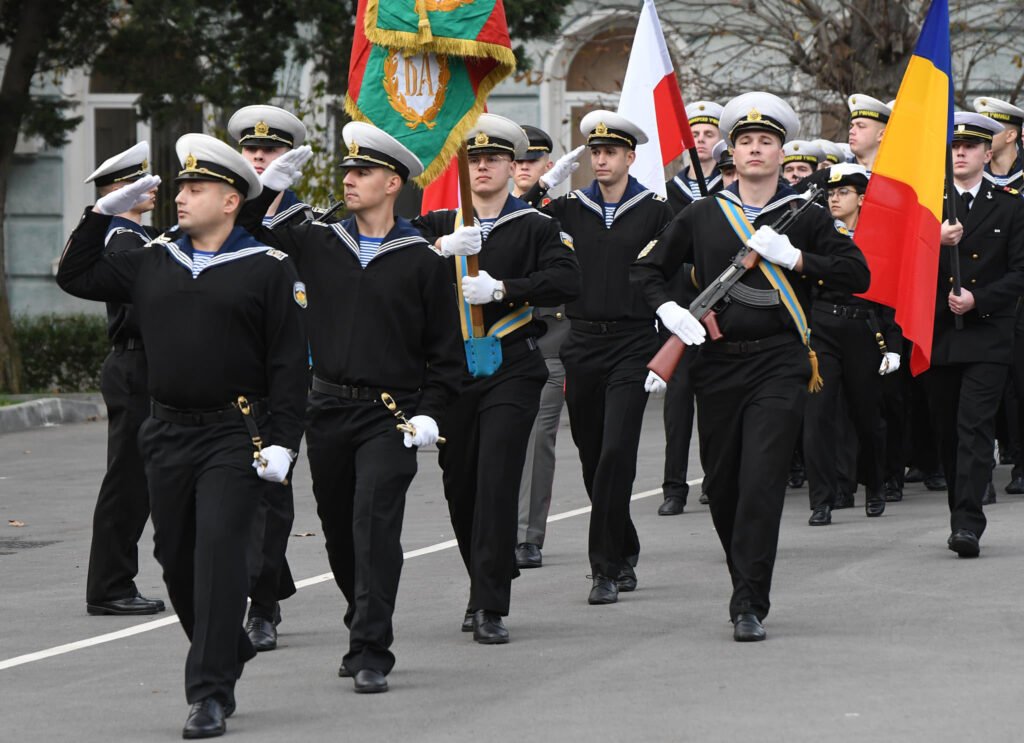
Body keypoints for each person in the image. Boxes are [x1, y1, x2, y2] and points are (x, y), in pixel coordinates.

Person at [57, 134, 308, 738]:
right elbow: (74, 274)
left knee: (221, 555)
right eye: (181, 187)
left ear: (230, 200)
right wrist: (100, 214)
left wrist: (283, 441)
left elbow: (288, 363)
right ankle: (224, 646)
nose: (180, 197)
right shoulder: (155, 258)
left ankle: (209, 693)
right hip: (165, 430)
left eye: (195, 188)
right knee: (174, 559)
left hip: (233, 432)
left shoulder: (267, 267)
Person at [632, 92, 869, 641]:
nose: (755, 149)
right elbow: (645, 271)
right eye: (745, 142)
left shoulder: (806, 216)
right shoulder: (703, 213)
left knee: (762, 478)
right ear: (731, 154)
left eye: (766, 141)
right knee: (723, 481)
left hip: (781, 362)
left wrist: (797, 258)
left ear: (782, 153)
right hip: (715, 363)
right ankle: (745, 575)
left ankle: (748, 600)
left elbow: (857, 274)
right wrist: (668, 309)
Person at [241, 123, 463, 691]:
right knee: (341, 533)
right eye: (347, 171)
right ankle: (360, 615)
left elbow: (447, 354)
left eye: (362, 171)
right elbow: (239, 232)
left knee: (374, 528)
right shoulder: (318, 240)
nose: (349, 179)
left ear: (393, 182)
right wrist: (266, 190)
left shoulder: (423, 260)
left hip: (392, 415)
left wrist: (432, 412)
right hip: (329, 410)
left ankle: (370, 647)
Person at [413, 114, 581, 643]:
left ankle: (487, 605)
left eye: (494, 159)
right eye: (474, 159)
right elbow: (386, 263)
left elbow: (566, 279)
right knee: (460, 486)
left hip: (511, 366)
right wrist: (439, 250)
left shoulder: (536, 226)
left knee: (495, 483)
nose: (482, 167)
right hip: (449, 374)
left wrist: (505, 288)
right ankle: (486, 572)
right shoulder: (439, 223)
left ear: (514, 167)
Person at [539, 110, 674, 603]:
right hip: (582, 342)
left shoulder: (657, 209)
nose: (600, 159)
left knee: (617, 451)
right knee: (595, 456)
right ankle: (624, 544)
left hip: (634, 342)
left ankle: (604, 570)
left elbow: (678, 267)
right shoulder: (570, 207)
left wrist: (669, 342)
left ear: (630, 157)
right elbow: (515, 223)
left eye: (610, 152)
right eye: (595, 152)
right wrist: (541, 189)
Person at [226, 103, 308, 652]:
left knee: (269, 496)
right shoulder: (221, 216)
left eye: (271, 150)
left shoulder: (307, 222)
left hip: (281, 376)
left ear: (289, 160)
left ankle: (264, 606)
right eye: (251, 150)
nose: (259, 157)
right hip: (224, 375)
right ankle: (262, 583)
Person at [924, 112, 1024, 558]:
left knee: (974, 427)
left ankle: (968, 523)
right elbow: (901, 269)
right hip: (941, 333)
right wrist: (934, 241)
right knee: (946, 430)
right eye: (954, 147)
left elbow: (1020, 271)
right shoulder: (930, 206)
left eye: (969, 147)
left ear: (988, 153)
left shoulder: (1009, 204)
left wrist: (978, 301)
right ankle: (957, 511)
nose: (960, 153)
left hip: (985, 334)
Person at [81, 142, 166, 617]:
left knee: (138, 478)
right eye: (138, 182)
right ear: (117, 191)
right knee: (128, 481)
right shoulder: (123, 239)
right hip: (136, 365)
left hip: (141, 366)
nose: (151, 187)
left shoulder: (137, 235)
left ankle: (114, 581)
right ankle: (110, 585)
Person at [803, 163, 900, 525]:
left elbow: (889, 296)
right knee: (818, 416)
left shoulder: (878, 239)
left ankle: (875, 485)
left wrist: (893, 345)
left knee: (867, 416)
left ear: (862, 198)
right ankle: (822, 500)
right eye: (830, 193)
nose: (834, 199)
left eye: (843, 193)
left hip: (863, 329)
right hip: (823, 327)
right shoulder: (818, 235)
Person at [511, 124, 570, 569]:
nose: (522, 169)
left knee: (535, 438)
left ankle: (527, 534)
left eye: (531, 162)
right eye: (515, 161)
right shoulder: (479, 213)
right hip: (492, 343)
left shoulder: (561, 213)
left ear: (546, 166)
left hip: (547, 336)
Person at [666, 101, 725, 212]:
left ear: (721, 140)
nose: (700, 139)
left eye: (709, 134)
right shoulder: (669, 190)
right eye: (694, 135)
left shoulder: (729, 184)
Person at [847, 94, 891, 171]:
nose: (851, 131)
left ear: (882, 135)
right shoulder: (837, 176)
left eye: (860, 126)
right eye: (851, 126)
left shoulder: (897, 176)